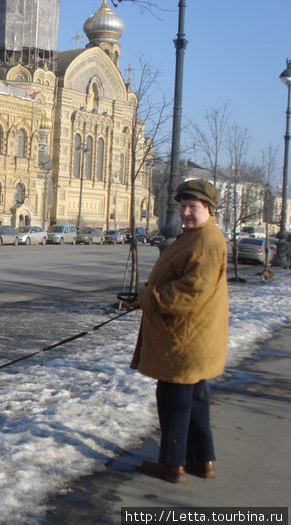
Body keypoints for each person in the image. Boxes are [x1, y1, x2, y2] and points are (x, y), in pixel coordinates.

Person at [130, 179, 229, 483]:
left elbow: (190, 292)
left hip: (184, 338)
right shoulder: (198, 235)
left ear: (208, 209)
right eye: (183, 206)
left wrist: (148, 297)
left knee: (174, 399)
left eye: (193, 207)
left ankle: (172, 464)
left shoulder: (205, 241)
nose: (185, 212)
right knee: (195, 398)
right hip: (192, 336)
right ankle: (202, 459)